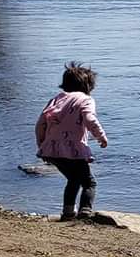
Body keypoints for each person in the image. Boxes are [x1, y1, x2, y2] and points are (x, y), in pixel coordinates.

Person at [35, 62, 109, 221]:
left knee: (73, 179)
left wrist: (42, 144)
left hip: (51, 150)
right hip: (73, 151)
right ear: (88, 86)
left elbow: (41, 123)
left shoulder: (56, 99)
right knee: (89, 183)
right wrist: (101, 137)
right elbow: (90, 119)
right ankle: (85, 211)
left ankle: (68, 213)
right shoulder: (85, 99)